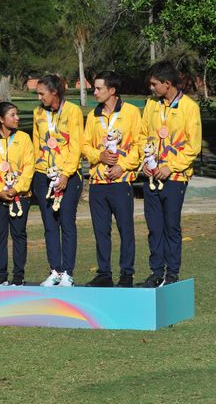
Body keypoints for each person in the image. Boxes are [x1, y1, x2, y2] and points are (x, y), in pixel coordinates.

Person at [139, 61, 202, 287]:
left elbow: (193, 147)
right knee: (154, 227)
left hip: (175, 178)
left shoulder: (189, 107)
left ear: (167, 84)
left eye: (155, 84)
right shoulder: (151, 105)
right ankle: (156, 271)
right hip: (152, 176)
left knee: (171, 226)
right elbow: (142, 135)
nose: (152, 88)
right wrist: (145, 162)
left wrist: (170, 166)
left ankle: (172, 273)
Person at [82, 72, 141, 287]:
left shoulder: (132, 113)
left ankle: (127, 274)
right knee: (101, 231)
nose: (94, 92)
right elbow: (85, 145)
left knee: (126, 230)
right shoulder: (92, 116)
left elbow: (139, 145)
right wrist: (99, 156)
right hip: (97, 183)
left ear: (112, 90)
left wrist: (122, 166)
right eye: (94, 89)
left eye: (98, 89)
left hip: (121, 181)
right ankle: (104, 274)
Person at [32, 75, 84, 287]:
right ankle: (55, 270)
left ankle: (68, 273)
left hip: (68, 176)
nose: (39, 97)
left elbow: (77, 146)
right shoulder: (38, 112)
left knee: (66, 223)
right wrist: (39, 168)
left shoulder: (72, 111)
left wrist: (66, 174)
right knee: (49, 225)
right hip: (44, 175)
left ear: (54, 92)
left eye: (42, 93)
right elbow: (37, 143)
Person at [0, 102, 34, 285]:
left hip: (20, 196)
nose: (17, 118)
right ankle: (1, 276)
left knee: (19, 234)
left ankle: (19, 277)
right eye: (12, 115)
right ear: (1, 119)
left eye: (17, 114)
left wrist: (16, 188)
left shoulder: (25, 138)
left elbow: (29, 167)